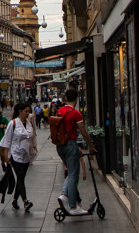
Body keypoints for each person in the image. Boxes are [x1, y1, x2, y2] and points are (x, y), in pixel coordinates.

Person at [56, 88, 96, 216]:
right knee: (74, 175)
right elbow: (83, 132)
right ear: (77, 98)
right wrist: (90, 146)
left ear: (66, 98)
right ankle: (73, 206)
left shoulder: (59, 111)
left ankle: (64, 195)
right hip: (71, 145)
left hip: (60, 146)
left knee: (70, 172)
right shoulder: (76, 113)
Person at [0, 103, 38, 211]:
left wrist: (34, 148)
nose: (27, 114)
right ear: (20, 111)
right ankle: (25, 201)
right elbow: (7, 140)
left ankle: (15, 200)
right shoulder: (13, 124)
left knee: (21, 178)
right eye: (26, 111)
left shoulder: (29, 123)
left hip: (26, 155)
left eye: (28, 111)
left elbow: (32, 137)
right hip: (15, 154)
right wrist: (6, 156)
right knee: (20, 176)